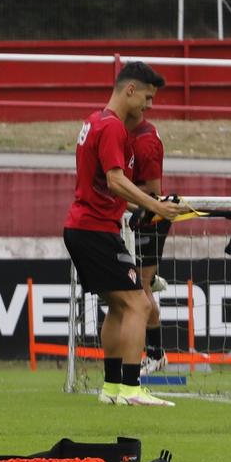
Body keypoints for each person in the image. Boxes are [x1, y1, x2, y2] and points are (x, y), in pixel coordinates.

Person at [64, 62, 183, 406]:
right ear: (130, 90)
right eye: (147, 97)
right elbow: (116, 180)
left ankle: (112, 388)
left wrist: (137, 208)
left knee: (118, 307)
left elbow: (103, 185)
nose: (149, 106)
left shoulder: (93, 120)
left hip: (84, 226)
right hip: (94, 229)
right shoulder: (114, 127)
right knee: (138, 304)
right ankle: (132, 388)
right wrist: (156, 206)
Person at [125, 114, 172, 373]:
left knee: (140, 290)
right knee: (139, 288)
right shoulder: (129, 133)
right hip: (135, 218)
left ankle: (155, 354)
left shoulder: (145, 142)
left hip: (149, 221)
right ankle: (152, 278)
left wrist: (117, 189)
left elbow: (153, 193)